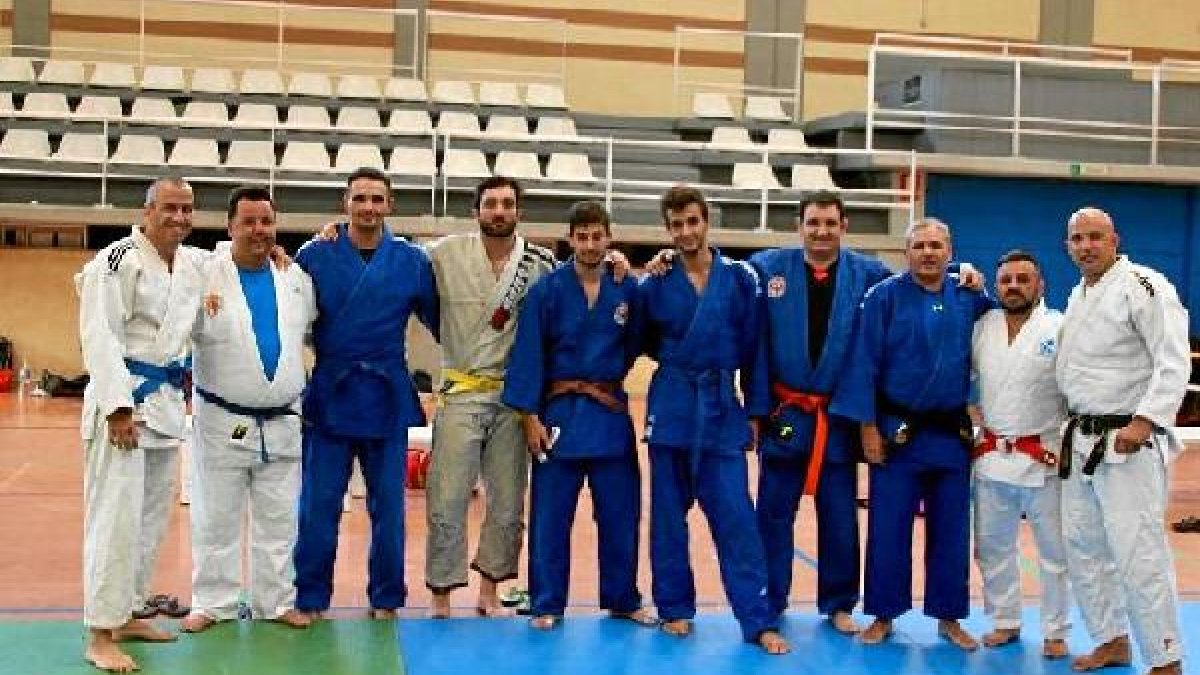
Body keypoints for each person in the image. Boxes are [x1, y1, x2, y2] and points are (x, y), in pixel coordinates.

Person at [637, 185, 789, 655]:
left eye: (693, 222)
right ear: (667, 230)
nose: (686, 232)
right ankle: (674, 608)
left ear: (706, 221)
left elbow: (755, 349)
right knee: (668, 517)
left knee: (737, 518)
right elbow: (641, 339)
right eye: (676, 225)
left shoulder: (741, 279)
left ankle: (757, 619)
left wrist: (756, 412)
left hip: (722, 407)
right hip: (672, 404)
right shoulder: (655, 283)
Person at [833, 218, 992, 650]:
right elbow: (863, 362)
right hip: (896, 434)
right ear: (906, 253)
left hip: (950, 435)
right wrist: (867, 427)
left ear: (950, 251)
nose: (928, 253)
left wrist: (974, 276)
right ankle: (883, 614)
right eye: (919, 246)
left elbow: (1001, 334)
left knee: (952, 532)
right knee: (887, 530)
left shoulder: (968, 295)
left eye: (936, 246)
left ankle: (949, 617)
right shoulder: (882, 297)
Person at [292, 167, 439, 620]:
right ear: (346, 203)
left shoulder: (411, 260)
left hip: (385, 395)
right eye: (360, 198)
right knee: (318, 506)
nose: (369, 207)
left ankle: (387, 598)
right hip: (332, 393)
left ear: (389, 205)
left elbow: (443, 322)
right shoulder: (315, 255)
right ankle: (310, 596)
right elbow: (287, 311)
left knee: (389, 508)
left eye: (377, 199)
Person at [502, 200, 655, 630]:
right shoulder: (547, 291)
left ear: (609, 238)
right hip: (558, 417)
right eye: (582, 236)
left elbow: (638, 341)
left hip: (608, 415)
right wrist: (529, 417)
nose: (589, 244)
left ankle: (623, 598)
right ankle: (547, 602)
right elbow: (528, 355)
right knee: (551, 517)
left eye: (597, 236)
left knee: (621, 514)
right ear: (570, 239)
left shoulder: (627, 290)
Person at [77, 177, 206, 672]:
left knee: (149, 521)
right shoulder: (117, 260)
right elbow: (99, 334)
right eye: (169, 207)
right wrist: (117, 407)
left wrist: (293, 248)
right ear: (147, 210)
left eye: (187, 209)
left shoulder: (190, 263)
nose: (179, 217)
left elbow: (238, 255)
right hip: (125, 403)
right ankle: (99, 633)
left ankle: (129, 611)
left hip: (166, 406)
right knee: (114, 520)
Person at [748, 192, 892, 634]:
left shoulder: (870, 275)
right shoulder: (766, 268)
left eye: (830, 223)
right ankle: (770, 599)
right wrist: (755, 411)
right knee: (773, 514)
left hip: (838, 418)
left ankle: (839, 602)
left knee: (840, 518)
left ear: (844, 226)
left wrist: (961, 273)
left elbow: (919, 281)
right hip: (786, 415)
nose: (821, 231)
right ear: (800, 226)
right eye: (813, 222)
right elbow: (719, 279)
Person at [1056, 207, 1190, 675]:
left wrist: (1146, 421)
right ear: (1068, 246)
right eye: (1078, 239)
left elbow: (1173, 360)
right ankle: (1111, 639)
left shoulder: (1144, 286)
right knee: (1084, 547)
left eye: (1095, 237)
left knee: (1139, 552)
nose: (1086, 246)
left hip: (1126, 441)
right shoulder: (1079, 293)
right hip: (1081, 438)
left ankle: (1166, 657)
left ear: (1115, 240)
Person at [180, 186, 316, 633]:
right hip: (223, 420)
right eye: (249, 222)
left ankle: (275, 601)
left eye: (266, 221)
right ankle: (212, 602)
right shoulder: (203, 273)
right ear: (230, 227)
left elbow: (311, 328)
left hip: (282, 419)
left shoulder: (295, 279)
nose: (259, 230)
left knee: (279, 520)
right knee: (215, 516)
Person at [425, 177, 558, 617]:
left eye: (507, 204)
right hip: (461, 391)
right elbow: (394, 259)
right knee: (447, 497)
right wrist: (330, 234)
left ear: (518, 211)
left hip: (512, 398)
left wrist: (617, 261)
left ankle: (490, 589)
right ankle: (441, 594)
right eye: (491, 204)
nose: (499, 211)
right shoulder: (444, 255)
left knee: (507, 500)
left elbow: (578, 283)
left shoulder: (539, 264)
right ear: (476, 211)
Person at [969, 250, 1069, 658]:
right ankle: (1005, 620)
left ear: (1040, 285)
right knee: (992, 546)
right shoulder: (983, 326)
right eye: (1006, 280)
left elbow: (1077, 389)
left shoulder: (1059, 327)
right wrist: (966, 407)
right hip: (992, 455)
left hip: (1044, 456)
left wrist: (1070, 442)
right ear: (996, 286)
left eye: (1023, 279)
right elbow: (955, 372)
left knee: (1055, 551)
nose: (1014, 286)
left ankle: (1056, 630)